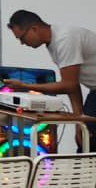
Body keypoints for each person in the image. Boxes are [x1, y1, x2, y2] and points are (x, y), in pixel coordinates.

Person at [6, 9, 96, 150]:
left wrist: (25, 85)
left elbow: (68, 85)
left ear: (34, 29)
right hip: (94, 90)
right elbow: (72, 86)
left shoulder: (64, 39)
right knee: (85, 142)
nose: (22, 44)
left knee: (89, 145)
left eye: (22, 38)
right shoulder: (54, 43)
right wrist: (79, 121)